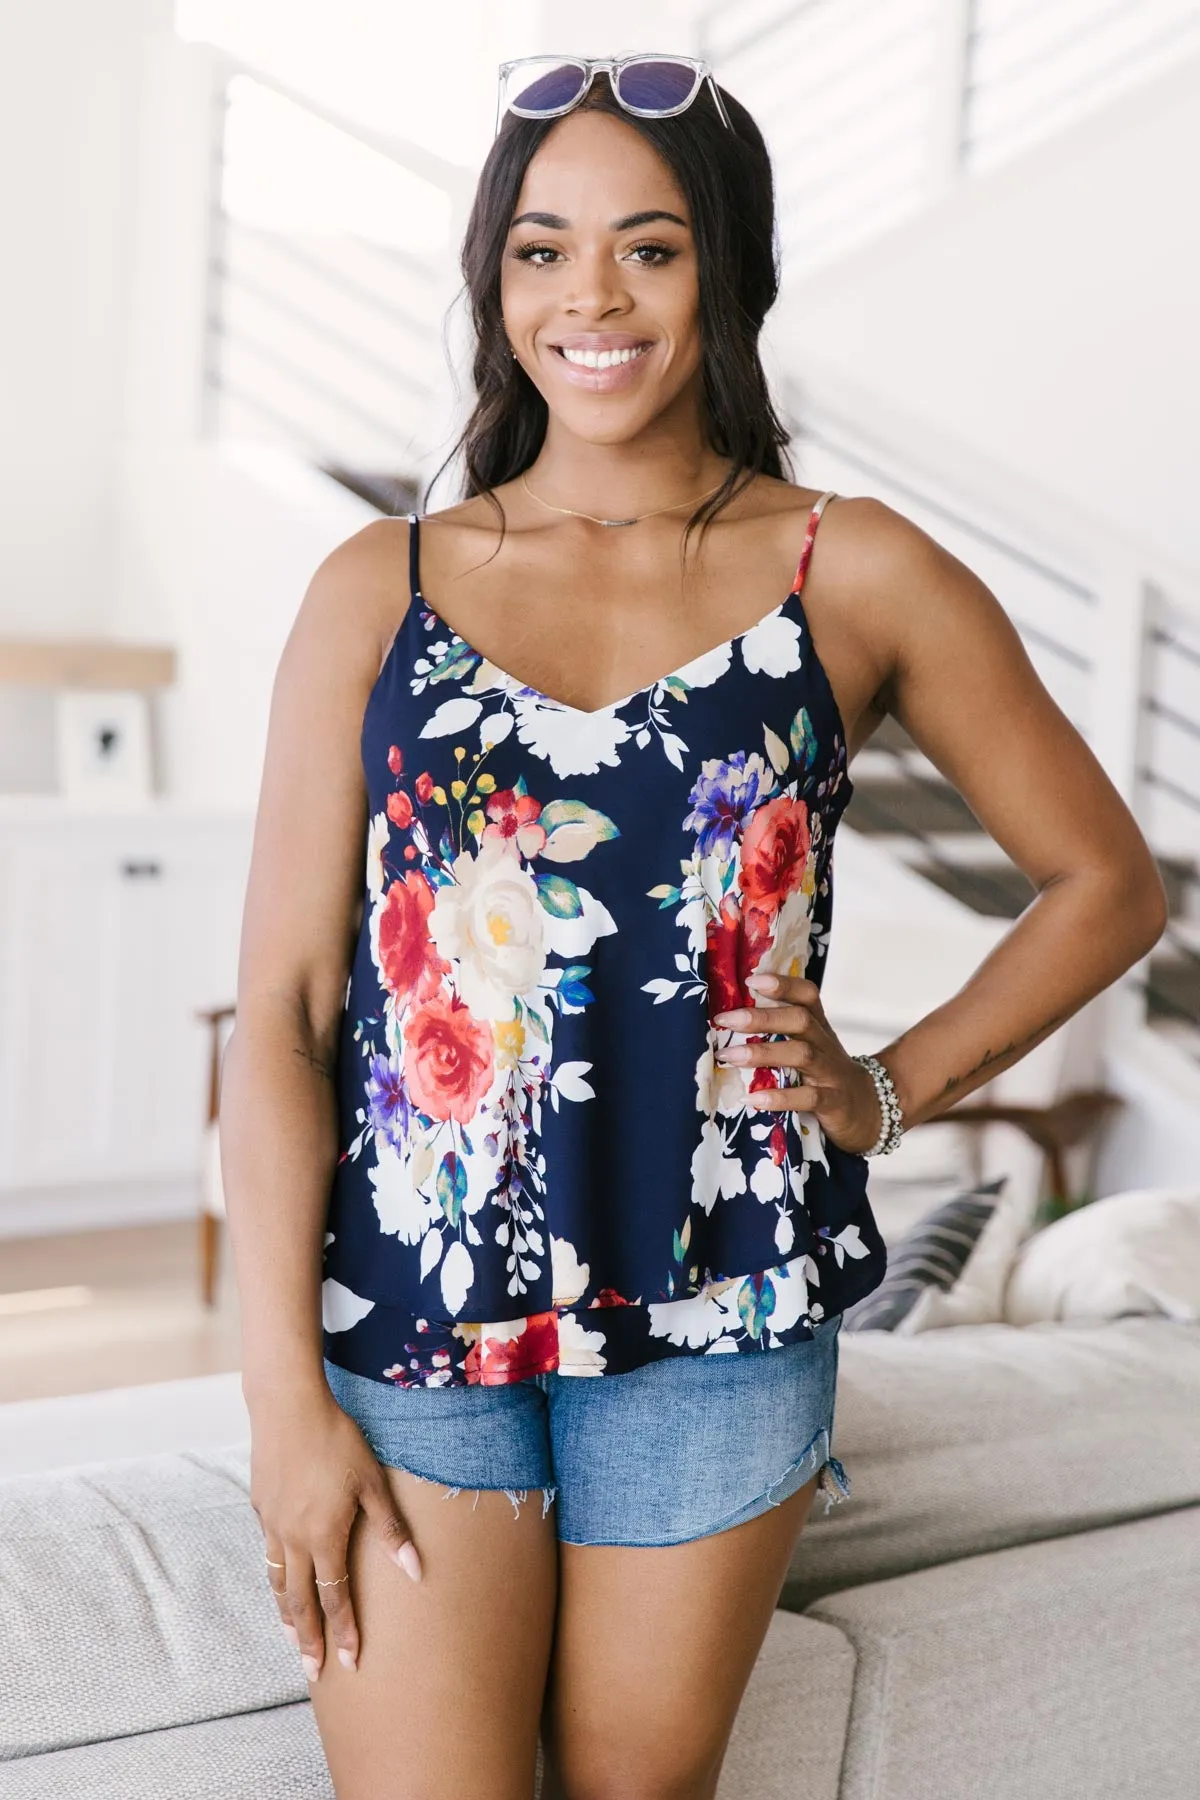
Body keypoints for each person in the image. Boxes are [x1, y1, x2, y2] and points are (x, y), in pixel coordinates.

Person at [219, 53, 1167, 1800]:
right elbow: (280, 1012)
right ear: (492, 283)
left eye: (648, 250)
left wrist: (889, 1088)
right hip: (413, 1322)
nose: (590, 297)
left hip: (726, 1319)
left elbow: (1110, 882)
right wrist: (284, 1401)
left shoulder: (853, 568)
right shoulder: (381, 584)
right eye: (540, 250)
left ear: (727, 271)